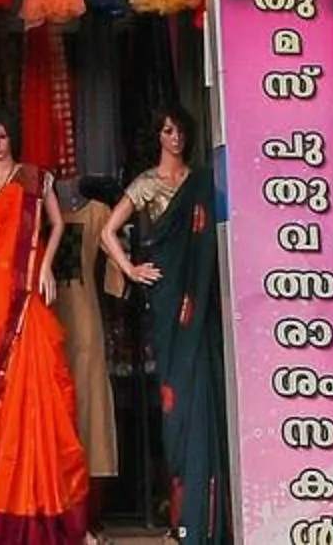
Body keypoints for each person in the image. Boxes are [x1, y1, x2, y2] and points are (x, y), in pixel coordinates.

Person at [0, 107, 94, 545]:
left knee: (41, 396)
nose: (0, 144)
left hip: (26, 296)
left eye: (5, 136)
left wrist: (45, 265)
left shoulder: (34, 180)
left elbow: (56, 225)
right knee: (3, 408)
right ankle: (8, 505)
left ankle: (44, 505)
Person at [99, 106, 226, 545]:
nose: (175, 138)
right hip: (171, 297)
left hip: (203, 298)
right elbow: (107, 232)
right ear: (158, 135)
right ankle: (181, 517)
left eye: (180, 132)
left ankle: (205, 520)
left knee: (203, 392)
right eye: (167, 131)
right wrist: (132, 270)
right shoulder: (147, 183)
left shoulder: (203, 182)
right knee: (176, 404)